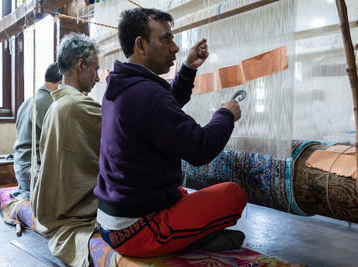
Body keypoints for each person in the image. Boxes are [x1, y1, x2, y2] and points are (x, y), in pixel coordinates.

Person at [94, 8, 247, 258]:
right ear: (141, 45)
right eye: (166, 39)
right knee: (232, 195)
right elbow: (201, 148)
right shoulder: (146, 94)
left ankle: (194, 234)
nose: (175, 48)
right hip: (137, 230)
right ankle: (192, 237)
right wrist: (226, 114)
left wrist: (187, 69)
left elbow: (162, 109)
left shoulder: (122, 86)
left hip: (112, 221)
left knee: (183, 194)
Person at [31, 32, 101, 267]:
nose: (98, 77)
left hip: (49, 205)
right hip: (71, 210)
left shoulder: (56, 105)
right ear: (81, 66)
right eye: (96, 69)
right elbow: (125, 133)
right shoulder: (78, 105)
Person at [12, 63, 62, 200]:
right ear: (61, 82)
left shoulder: (27, 101)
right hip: (32, 174)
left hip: (20, 170)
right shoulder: (49, 104)